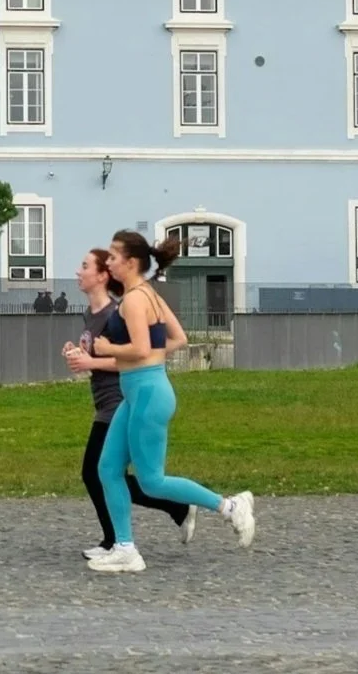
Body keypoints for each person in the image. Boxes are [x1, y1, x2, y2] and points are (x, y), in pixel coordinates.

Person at [85, 229, 255, 574]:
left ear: (131, 263)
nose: (110, 262)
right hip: (138, 393)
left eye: (115, 257)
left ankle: (229, 506)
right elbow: (177, 339)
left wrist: (106, 350)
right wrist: (143, 361)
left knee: (151, 481)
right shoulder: (148, 294)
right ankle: (125, 548)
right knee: (106, 469)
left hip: (148, 394)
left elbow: (141, 349)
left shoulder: (134, 300)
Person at [63, 249, 192, 559]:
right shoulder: (91, 314)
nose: (78, 272)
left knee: (102, 473)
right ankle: (126, 534)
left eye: (85, 266)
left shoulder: (116, 312)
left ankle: (121, 538)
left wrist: (92, 360)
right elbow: (97, 353)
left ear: (102, 276)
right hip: (104, 401)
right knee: (105, 472)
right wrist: (78, 354)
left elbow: (135, 354)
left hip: (121, 399)